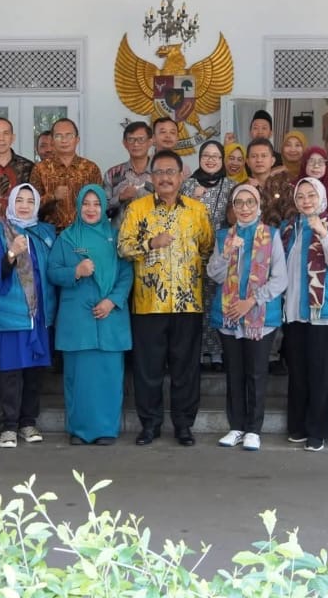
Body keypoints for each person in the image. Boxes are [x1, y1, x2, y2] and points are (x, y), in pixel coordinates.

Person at [117, 150, 214, 447]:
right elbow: (123, 247)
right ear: (152, 177)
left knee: (186, 369)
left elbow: (208, 248)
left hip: (187, 302)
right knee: (149, 369)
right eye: (159, 172)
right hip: (148, 304)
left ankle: (184, 425)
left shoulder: (197, 210)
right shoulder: (138, 208)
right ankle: (150, 424)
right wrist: (150, 243)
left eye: (170, 171)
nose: (165, 178)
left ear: (182, 175)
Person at [49, 185, 133, 446]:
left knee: (109, 377)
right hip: (78, 321)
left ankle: (107, 429)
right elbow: (52, 271)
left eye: (97, 204)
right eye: (86, 203)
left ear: (104, 208)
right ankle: (79, 430)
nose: (91, 209)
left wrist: (112, 301)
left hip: (110, 318)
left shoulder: (116, 237)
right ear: (78, 207)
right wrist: (75, 271)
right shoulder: (67, 238)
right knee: (79, 380)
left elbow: (126, 274)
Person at [207, 183, 286, 452]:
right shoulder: (223, 237)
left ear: (258, 206)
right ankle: (236, 426)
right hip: (229, 317)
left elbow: (280, 279)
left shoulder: (271, 235)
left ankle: (253, 429)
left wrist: (250, 302)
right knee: (234, 373)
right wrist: (226, 254)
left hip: (260, 318)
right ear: (232, 208)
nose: (244, 207)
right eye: (238, 202)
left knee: (256, 373)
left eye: (249, 202)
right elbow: (214, 274)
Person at [280, 177, 328, 452]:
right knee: (299, 371)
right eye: (301, 196)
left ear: (321, 197)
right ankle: (299, 425)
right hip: (296, 312)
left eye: (311, 195)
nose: (306, 200)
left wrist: (323, 233)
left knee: (323, 373)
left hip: (326, 312)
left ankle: (319, 430)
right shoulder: (289, 228)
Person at [0, 184, 57, 448]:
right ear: (11, 203)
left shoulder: (45, 232)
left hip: (39, 315)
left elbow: (54, 269)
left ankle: (28, 422)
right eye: (20, 200)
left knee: (35, 372)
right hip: (10, 314)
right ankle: (9, 426)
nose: (24, 205)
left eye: (30, 201)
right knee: (10, 372)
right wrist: (12, 252)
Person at [181, 140, 236, 372]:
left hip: (220, 255)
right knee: (194, 304)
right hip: (190, 254)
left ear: (222, 160)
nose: (211, 160)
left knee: (216, 301)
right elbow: (178, 215)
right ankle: (196, 351)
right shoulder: (187, 185)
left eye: (216, 156)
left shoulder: (231, 185)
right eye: (206, 155)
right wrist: (192, 199)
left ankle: (216, 353)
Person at [28, 118, 104, 231]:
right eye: (58, 136)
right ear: (52, 141)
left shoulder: (91, 169)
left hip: (84, 231)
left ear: (77, 139)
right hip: (50, 233)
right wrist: (52, 196)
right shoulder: (40, 169)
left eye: (69, 136)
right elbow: (31, 205)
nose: (64, 140)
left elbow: (101, 204)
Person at [105, 121, 154, 227]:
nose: (136, 144)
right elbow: (102, 209)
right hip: (119, 234)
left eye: (141, 139)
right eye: (131, 139)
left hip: (154, 234)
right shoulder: (112, 174)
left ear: (150, 142)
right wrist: (120, 198)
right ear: (125, 143)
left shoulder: (160, 173)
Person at [245, 138, 292, 228]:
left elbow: (291, 218)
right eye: (254, 156)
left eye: (264, 156)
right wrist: (245, 190)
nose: (259, 160)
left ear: (272, 161)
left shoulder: (284, 186)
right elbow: (232, 219)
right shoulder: (242, 188)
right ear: (247, 162)